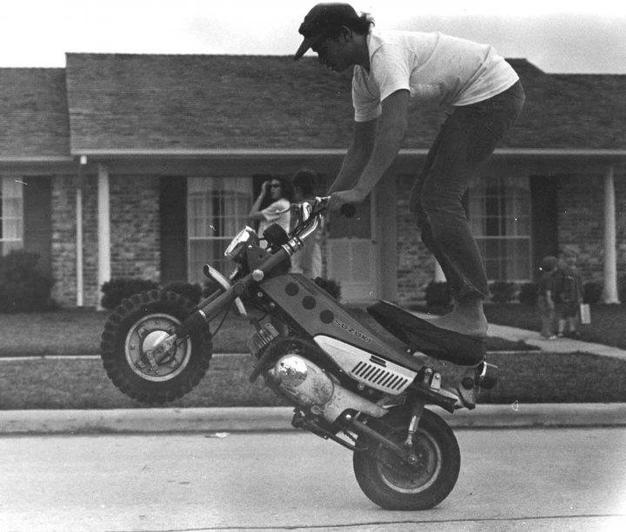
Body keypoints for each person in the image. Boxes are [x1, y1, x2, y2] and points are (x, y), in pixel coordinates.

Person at [294, 3, 525, 339]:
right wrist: (327, 201)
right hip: (473, 99)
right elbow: (360, 148)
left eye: (321, 47)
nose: (321, 58)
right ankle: (466, 309)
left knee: (439, 198)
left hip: (494, 92)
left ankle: (471, 313)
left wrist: (360, 191)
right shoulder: (363, 80)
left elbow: (394, 129)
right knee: (423, 202)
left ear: (344, 35)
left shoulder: (386, 55)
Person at [290, 168, 323, 278]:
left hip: (306, 258)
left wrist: (306, 265)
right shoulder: (307, 207)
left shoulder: (309, 208)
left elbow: (310, 237)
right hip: (301, 255)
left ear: (298, 189)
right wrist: (293, 218)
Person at [248, 177, 293, 247]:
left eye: (276, 186)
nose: (272, 189)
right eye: (270, 186)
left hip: (270, 247)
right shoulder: (286, 203)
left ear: (283, 188)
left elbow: (252, 215)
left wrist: (262, 194)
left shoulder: (279, 205)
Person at [554, 250, 583, 338]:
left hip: (576, 295)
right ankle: (560, 331)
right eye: (569, 257)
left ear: (576, 259)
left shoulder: (578, 271)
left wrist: (581, 295)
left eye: (573, 257)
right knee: (564, 313)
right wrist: (561, 293)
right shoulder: (563, 271)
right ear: (565, 259)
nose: (571, 259)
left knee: (573, 313)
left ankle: (572, 329)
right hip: (566, 295)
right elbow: (559, 283)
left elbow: (580, 283)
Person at [537, 256, 558, 340]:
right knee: (549, 315)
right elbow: (548, 291)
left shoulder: (544, 276)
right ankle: (547, 333)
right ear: (552, 267)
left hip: (541, 298)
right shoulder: (549, 277)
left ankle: (544, 331)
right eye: (556, 265)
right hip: (545, 299)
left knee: (544, 315)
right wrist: (550, 301)